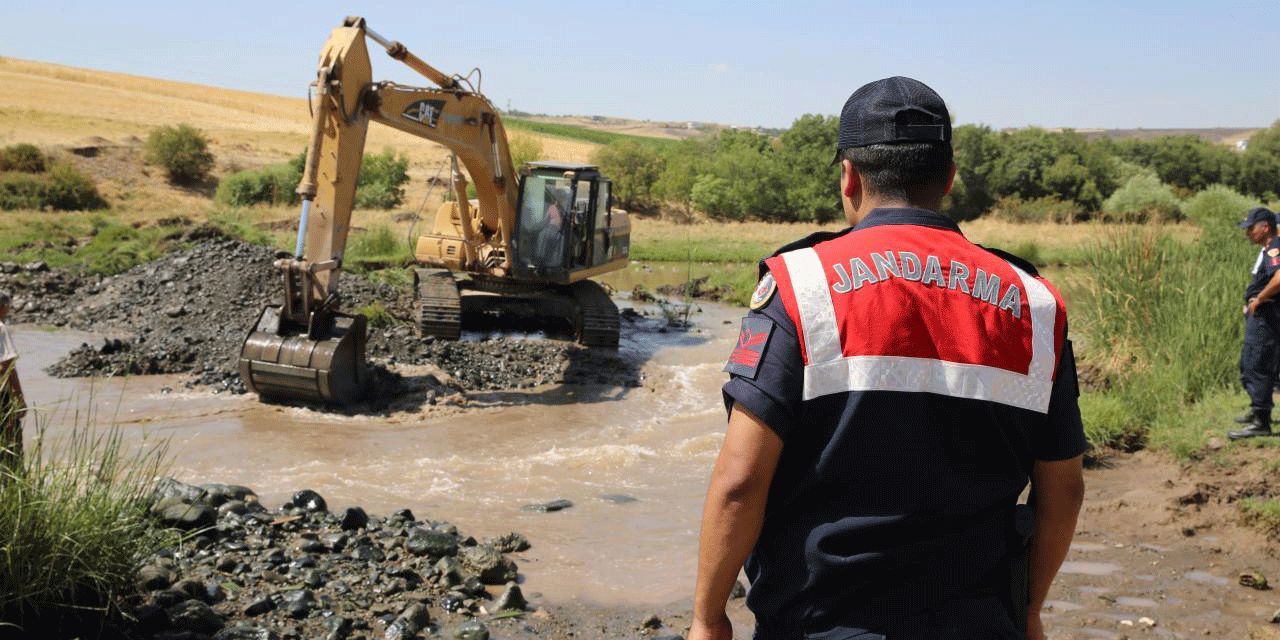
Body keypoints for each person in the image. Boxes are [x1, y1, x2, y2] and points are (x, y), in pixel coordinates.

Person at [690, 77, 1086, 640]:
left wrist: (708, 619)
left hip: (821, 624)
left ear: (849, 177)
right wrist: (1029, 612)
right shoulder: (1034, 302)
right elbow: (1064, 490)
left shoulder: (802, 286)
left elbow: (740, 480)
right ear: (948, 179)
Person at [1228, 207, 1280, 439]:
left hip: (1266, 317)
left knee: (1255, 364)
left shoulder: (1274, 248)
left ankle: (1261, 423)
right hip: (1262, 314)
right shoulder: (1269, 248)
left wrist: (1259, 298)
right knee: (1253, 363)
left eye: (1251, 228)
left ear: (1264, 227)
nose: (1247, 233)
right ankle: (1259, 412)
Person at [0, 291, 25, 470]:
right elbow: (7, 366)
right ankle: (15, 489)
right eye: (8, 306)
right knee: (11, 446)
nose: (9, 310)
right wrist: (19, 397)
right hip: (3, 398)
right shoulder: (1, 328)